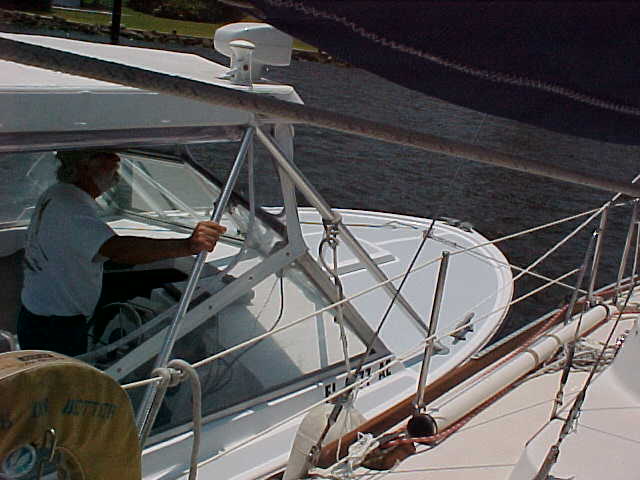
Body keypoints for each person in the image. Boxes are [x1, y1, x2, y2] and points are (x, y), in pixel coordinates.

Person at [17, 149, 226, 357]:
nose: (116, 159)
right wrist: (188, 246)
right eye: (105, 154)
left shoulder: (58, 193)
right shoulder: (71, 208)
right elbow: (118, 250)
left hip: (39, 316)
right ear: (82, 166)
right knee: (62, 379)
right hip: (55, 328)